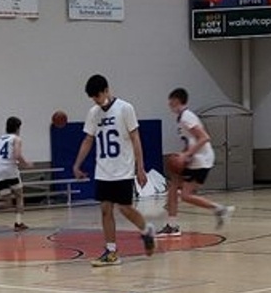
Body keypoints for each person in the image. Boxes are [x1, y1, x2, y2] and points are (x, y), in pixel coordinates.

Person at [72, 74, 155, 266]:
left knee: (125, 208)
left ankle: (146, 230)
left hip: (123, 169)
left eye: (98, 96)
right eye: (93, 98)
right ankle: (111, 251)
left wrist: (140, 168)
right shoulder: (93, 113)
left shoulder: (125, 108)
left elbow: (136, 138)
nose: (96, 100)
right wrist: (77, 164)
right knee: (105, 209)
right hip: (103, 170)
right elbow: (88, 140)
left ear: (107, 91)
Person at [158, 88, 233, 235]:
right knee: (174, 187)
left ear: (177, 100)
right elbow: (191, 140)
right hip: (196, 159)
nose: (169, 104)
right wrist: (184, 152)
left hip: (201, 160)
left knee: (185, 195)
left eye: (171, 101)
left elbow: (204, 137)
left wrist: (187, 155)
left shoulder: (187, 117)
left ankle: (220, 209)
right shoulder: (182, 117)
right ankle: (171, 222)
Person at [0, 116, 31, 231]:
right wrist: (26, 164)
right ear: (18, 128)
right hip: (10, 169)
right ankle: (18, 223)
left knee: (8, 202)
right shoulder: (16, 139)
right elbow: (17, 155)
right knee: (19, 196)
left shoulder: (0, 140)